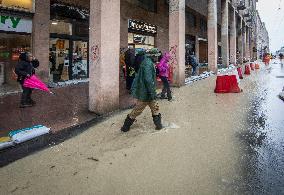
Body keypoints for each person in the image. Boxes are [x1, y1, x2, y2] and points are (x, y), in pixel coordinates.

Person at [121, 50, 163, 132]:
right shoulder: (148, 63)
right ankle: (125, 127)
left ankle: (159, 126)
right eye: (156, 55)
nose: (157, 57)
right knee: (137, 110)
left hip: (148, 92)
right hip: (146, 93)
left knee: (155, 108)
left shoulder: (148, 62)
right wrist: (152, 92)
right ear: (152, 56)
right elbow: (148, 80)